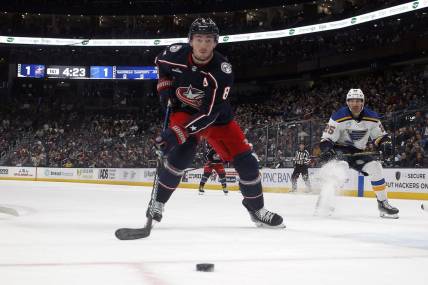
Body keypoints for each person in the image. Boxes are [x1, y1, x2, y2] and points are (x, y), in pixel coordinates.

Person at [150, 18, 284, 228]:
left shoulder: (222, 71)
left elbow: (210, 114)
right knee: (181, 156)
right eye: (199, 39)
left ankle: (257, 210)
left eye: (209, 40)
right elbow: (161, 65)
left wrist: (176, 133)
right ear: (190, 41)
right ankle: (158, 202)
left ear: (216, 43)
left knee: (247, 164)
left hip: (217, 118)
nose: (203, 45)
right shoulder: (173, 53)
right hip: (184, 112)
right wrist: (164, 88)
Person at [319, 88, 399, 218]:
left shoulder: (372, 117)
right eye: (352, 101)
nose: (355, 104)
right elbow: (326, 140)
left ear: (363, 102)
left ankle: (383, 204)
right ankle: (325, 201)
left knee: (376, 167)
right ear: (347, 102)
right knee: (341, 168)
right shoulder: (337, 117)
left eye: (358, 101)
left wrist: (385, 143)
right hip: (340, 150)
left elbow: (380, 136)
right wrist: (328, 150)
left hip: (358, 152)